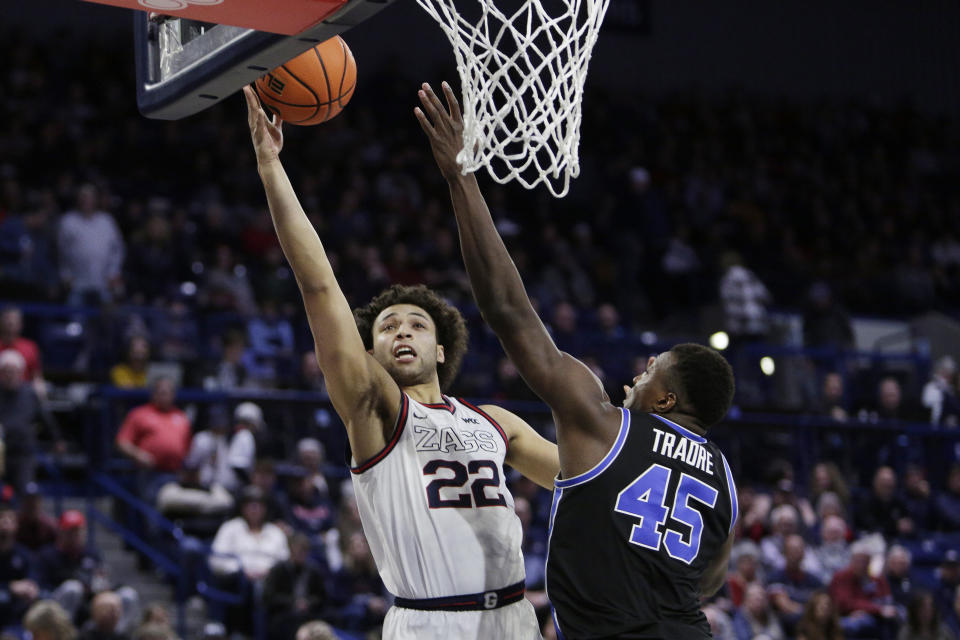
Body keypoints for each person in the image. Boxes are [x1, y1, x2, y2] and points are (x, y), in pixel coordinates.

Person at [415, 82, 737, 638]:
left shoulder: (603, 420)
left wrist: (460, 177)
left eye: (650, 369)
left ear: (666, 398)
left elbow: (508, 311)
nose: (636, 374)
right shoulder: (726, 480)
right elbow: (710, 580)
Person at [243, 85, 558, 639]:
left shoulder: (495, 422)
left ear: (441, 349)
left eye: (416, 325)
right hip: (428, 621)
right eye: (387, 328)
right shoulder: (377, 412)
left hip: (515, 617)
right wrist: (272, 169)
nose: (402, 332)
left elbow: (583, 476)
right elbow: (319, 286)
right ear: (371, 354)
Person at [0, 349, 63, 491]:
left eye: (13, 371)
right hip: (0, 454)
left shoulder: (30, 393)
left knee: (26, 492)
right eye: (6, 371)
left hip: (23, 453)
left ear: (21, 373)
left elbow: (45, 417)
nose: (10, 375)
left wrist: (56, 439)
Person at [114, 377, 191, 474]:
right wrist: (138, 455)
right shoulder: (139, 414)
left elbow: (187, 447)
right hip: (149, 472)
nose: (164, 396)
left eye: (168, 393)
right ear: (153, 394)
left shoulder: (181, 416)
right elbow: (122, 442)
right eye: (161, 393)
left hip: (175, 472)